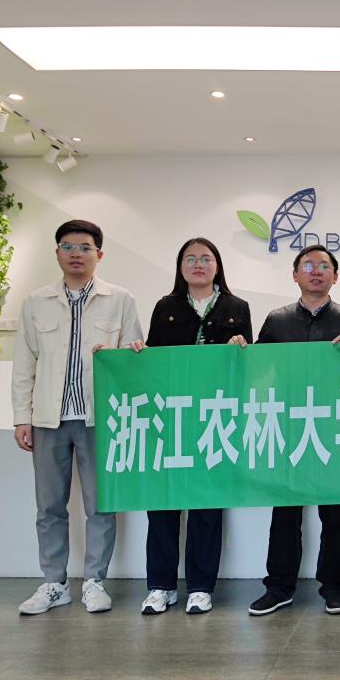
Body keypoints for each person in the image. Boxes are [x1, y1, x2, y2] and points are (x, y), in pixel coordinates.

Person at [12, 220, 143, 615]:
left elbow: (132, 360)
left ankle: (95, 582)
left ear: (99, 255)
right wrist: (21, 417)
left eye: (84, 247)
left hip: (98, 419)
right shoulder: (36, 301)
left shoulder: (120, 299)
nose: (76, 254)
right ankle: (54, 583)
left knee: (100, 505)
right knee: (49, 507)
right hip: (48, 419)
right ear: (57, 254)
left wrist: (128, 353)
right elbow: (24, 363)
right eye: (68, 247)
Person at [241, 244, 340, 616]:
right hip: (289, 425)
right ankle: (279, 587)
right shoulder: (277, 320)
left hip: (333, 426)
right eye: (308, 265)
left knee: (335, 515)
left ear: (335, 276)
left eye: (324, 266)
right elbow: (258, 368)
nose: (316, 271)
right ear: (295, 275)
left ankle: (333, 586)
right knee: (285, 513)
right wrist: (240, 349)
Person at [133, 237, 252, 615]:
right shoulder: (165, 306)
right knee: (162, 503)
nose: (198, 264)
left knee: (207, 503)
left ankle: (201, 587)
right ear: (180, 267)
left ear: (217, 265)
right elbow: (153, 359)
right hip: (170, 416)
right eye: (190, 258)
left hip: (214, 417)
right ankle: (161, 586)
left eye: (205, 258)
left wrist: (242, 347)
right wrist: (138, 352)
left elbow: (247, 366)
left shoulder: (237, 307)